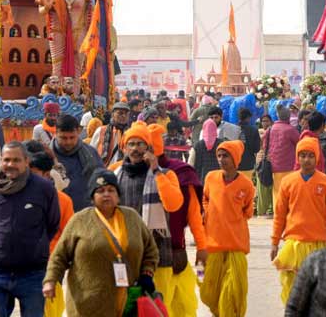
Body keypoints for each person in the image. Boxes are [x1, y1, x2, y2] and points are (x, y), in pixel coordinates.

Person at [43, 169, 159, 317]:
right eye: (100, 191)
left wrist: (147, 274)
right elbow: (59, 256)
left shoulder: (132, 218)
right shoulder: (80, 220)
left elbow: (151, 251)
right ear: (92, 197)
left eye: (111, 190)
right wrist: (50, 281)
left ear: (118, 196)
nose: (106, 194)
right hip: (88, 304)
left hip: (129, 301)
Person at [110, 121, 185, 312]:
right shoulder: (114, 174)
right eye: (131, 144)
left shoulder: (166, 175)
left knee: (156, 310)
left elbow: (173, 204)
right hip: (123, 256)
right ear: (124, 147)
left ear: (148, 148)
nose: (135, 149)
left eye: (140, 144)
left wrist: (155, 171)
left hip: (159, 256)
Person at [0, 141, 60, 317]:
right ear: (1, 161)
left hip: (32, 273)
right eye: (7, 160)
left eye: (16, 160)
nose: (11, 165)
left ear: (26, 161)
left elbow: (52, 223)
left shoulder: (43, 188)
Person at [271, 136, 326, 303]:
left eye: (310, 155)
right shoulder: (288, 182)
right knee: (292, 290)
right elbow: (279, 214)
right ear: (297, 157)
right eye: (302, 155)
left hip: (319, 243)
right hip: (294, 245)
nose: (306, 159)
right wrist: (274, 242)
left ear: (317, 157)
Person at [147, 123, 206, 317]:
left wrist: (202, 249)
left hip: (175, 257)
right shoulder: (125, 174)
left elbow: (194, 215)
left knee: (182, 307)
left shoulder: (181, 173)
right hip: (140, 260)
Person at [200, 140, 255, 317]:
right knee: (206, 290)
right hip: (212, 244)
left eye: (226, 156)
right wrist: (209, 214)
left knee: (233, 293)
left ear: (235, 158)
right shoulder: (211, 177)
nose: (221, 159)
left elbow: (248, 211)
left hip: (236, 245)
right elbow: (205, 199)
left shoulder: (246, 185)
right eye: (219, 155)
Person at [49, 115, 100, 211]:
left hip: (86, 213)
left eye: (72, 137)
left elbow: (101, 182)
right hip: (57, 214)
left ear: (79, 132)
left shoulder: (91, 154)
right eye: (63, 138)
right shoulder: (46, 157)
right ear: (55, 134)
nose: (68, 142)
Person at [268, 106, 300, 205]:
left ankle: (277, 213)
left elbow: (265, 144)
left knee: (277, 192)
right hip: (289, 166)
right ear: (289, 117)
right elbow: (299, 144)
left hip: (275, 166)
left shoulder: (271, 129)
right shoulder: (291, 130)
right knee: (289, 191)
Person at [191, 117, 224, 184]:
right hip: (219, 179)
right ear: (215, 129)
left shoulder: (197, 145)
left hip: (202, 179)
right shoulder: (222, 144)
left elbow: (191, 164)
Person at [237, 108, 261, 181]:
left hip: (235, 163)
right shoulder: (253, 130)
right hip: (248, 163)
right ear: (248, 118)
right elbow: (256, 148)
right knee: (247, 186)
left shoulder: (233, 128)